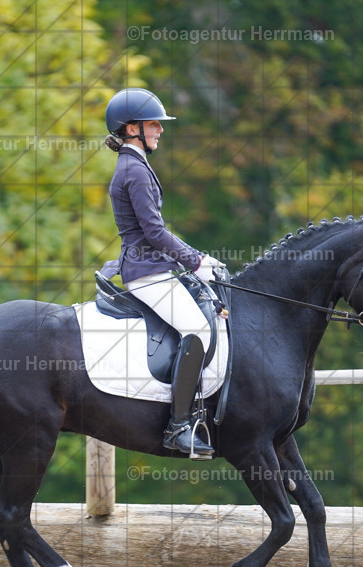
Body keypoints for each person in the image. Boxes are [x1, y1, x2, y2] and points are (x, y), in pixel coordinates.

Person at [99, 88, 224, 459]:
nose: (160, 130)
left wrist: (194, 258)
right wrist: (196, 262)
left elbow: (156, 231)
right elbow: (154, 232)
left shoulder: (135, 165)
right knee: (197, 330)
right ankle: (178, 427)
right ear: (132, 128)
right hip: (146, 272)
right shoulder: (133, 170)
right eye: (154, 123)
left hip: (154, 266)